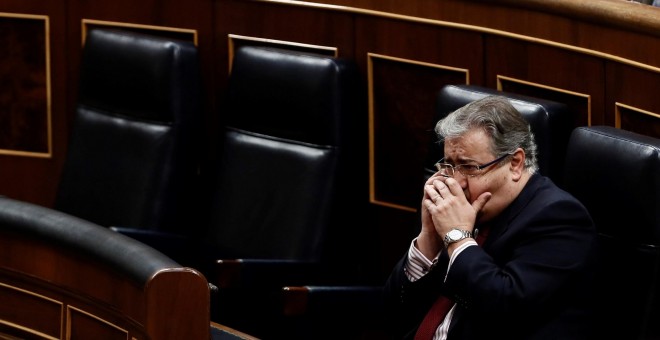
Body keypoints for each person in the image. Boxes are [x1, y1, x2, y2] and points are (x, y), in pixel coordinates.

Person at [383, 95, 597, 339]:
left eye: (469, 167)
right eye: (449, 165)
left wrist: (458, 239)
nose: (457, 182)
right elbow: (391, 313)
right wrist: (429, 239)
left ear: (515, 163)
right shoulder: (455, 210)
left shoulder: (558, 218)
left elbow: (505, 309)